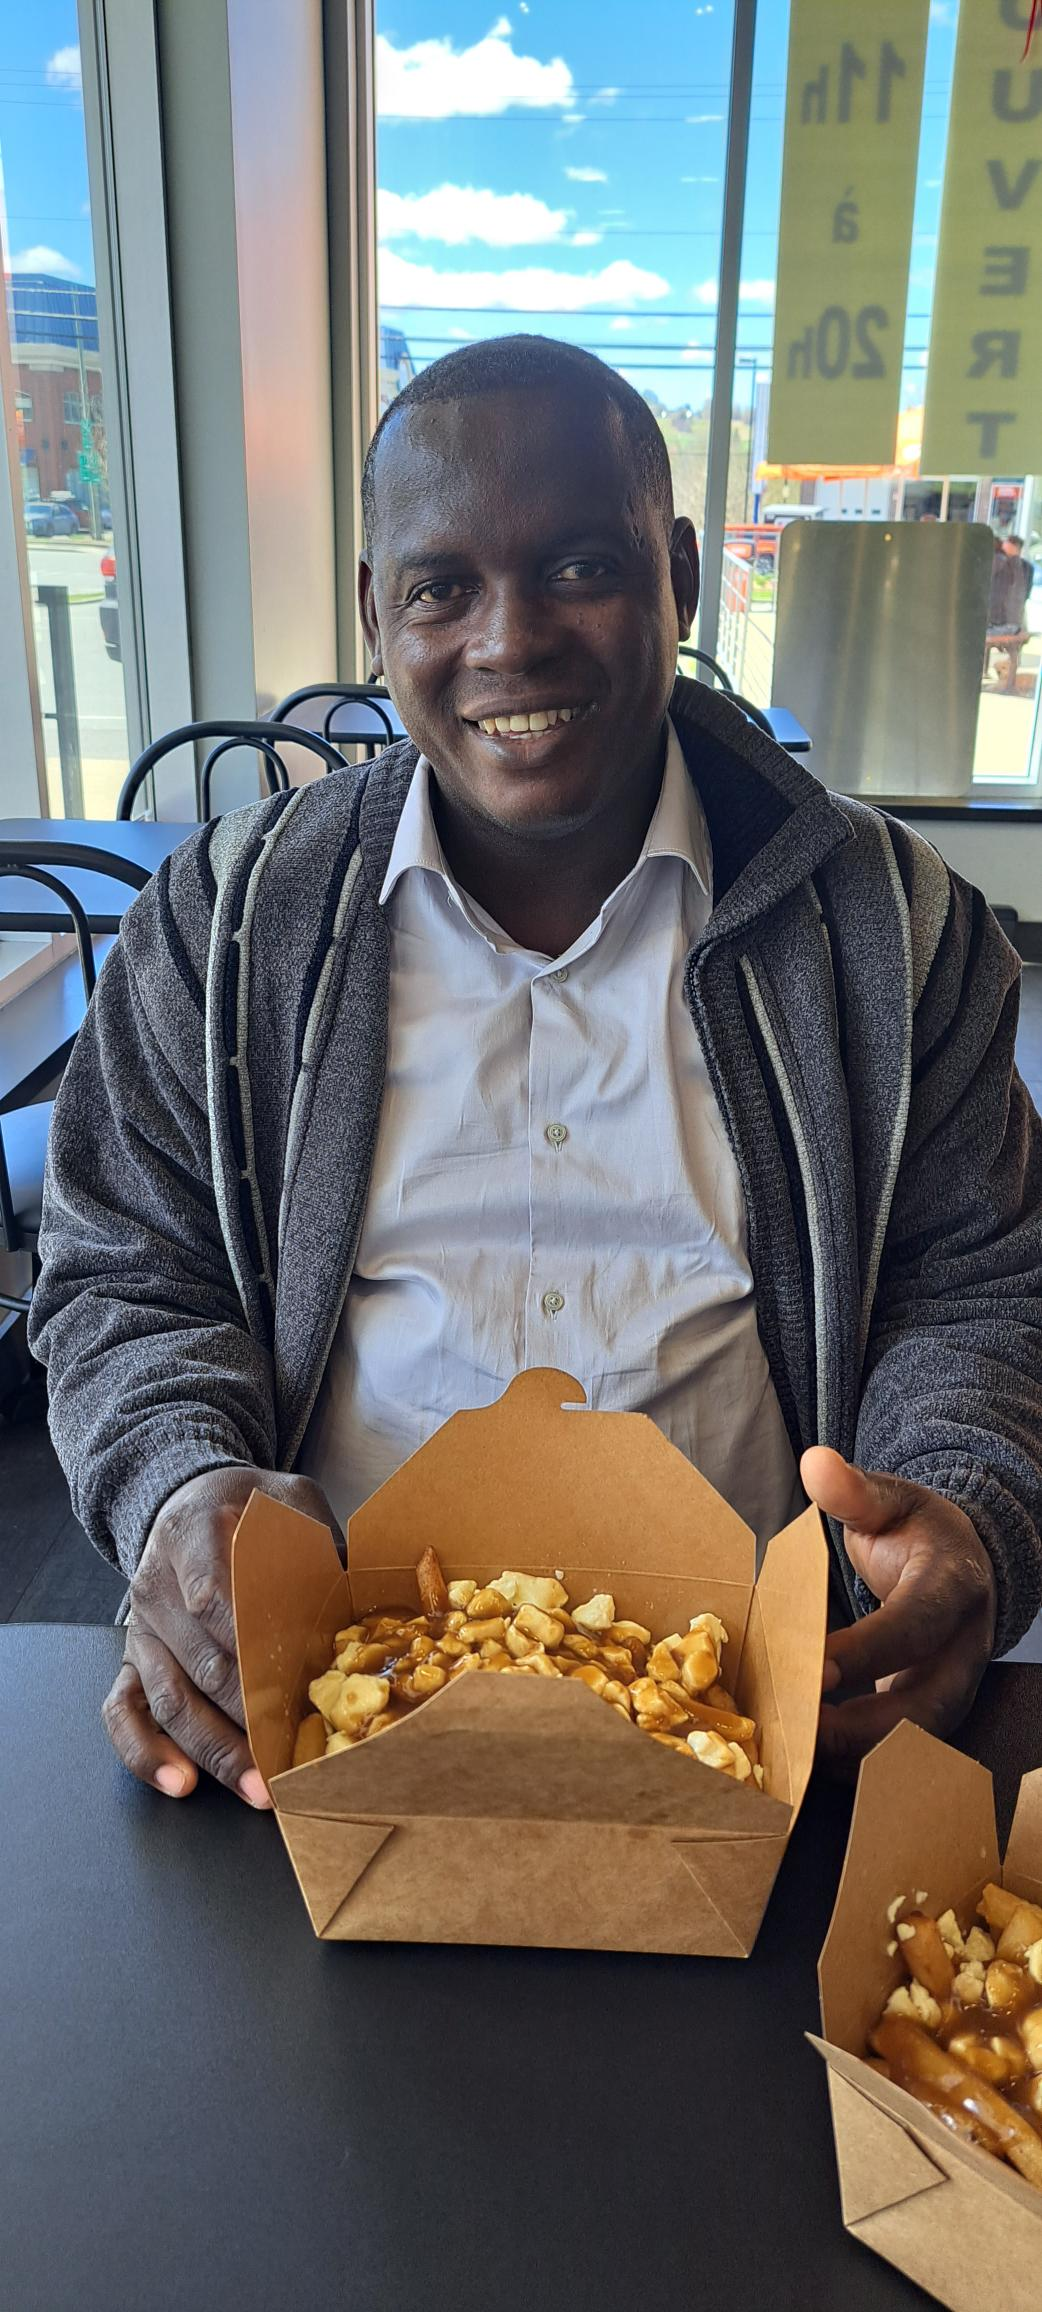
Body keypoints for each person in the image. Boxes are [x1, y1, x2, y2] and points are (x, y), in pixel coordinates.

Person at [29, 337, 1042, 1810]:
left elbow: (979, 1283)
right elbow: (124, 1270)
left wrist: (957, 1497)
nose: (509, 642)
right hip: (318, 1732)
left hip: (767, 1723)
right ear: (377, 612)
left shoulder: (891, 931)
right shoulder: (228, 923)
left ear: (679, 576)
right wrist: (182, 1487)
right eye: (440, 587)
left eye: (579, 566)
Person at [986, 533, 1034, 691]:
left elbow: (1019, 595)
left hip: (1004, 621)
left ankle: (1008, 681)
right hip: (1007, 621)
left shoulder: (1010, 564)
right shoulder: (1022, 566)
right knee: (1014, 647)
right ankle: (1006, 680)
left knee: (1013, 646)